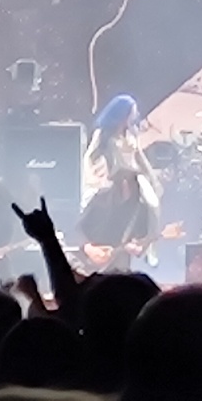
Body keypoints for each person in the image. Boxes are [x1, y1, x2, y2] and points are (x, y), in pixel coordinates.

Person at [80, 94, 163, 270]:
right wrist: (92, 178)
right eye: (132, 112)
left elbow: (140, 158)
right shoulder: (103, 133)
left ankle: (149, 246)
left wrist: (152, 177)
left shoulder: (131, 134)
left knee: (153, 202)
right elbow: (89, 156)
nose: (135, 115)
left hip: (134, 175)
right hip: (115, 176)